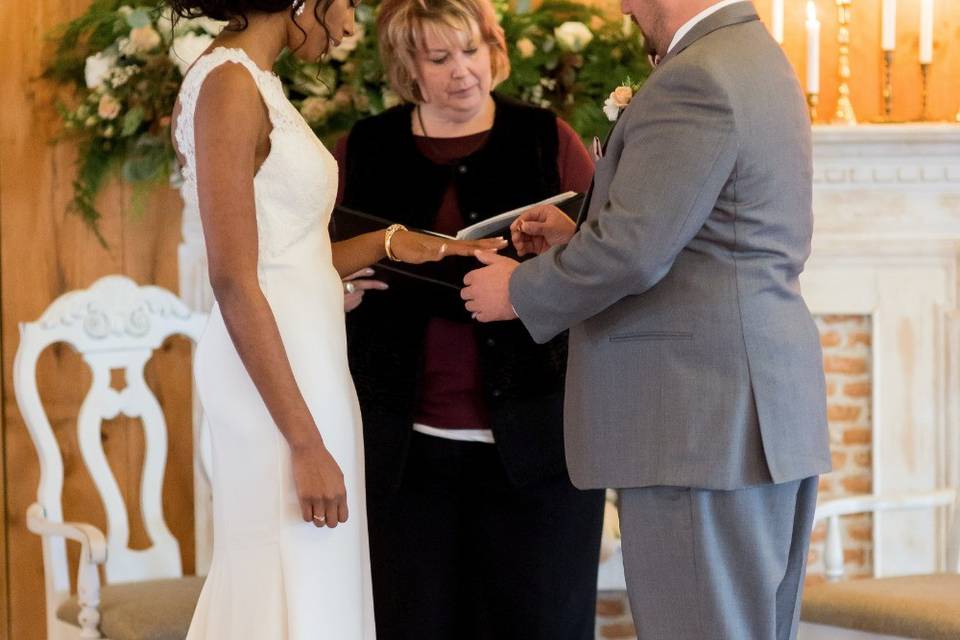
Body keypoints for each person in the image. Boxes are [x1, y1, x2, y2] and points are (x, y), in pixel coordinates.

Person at [462, 1, 832, 638]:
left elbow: (635, 251)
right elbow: (701, 236)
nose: (627, 6)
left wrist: (520, 290)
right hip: (751, 409)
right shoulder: (756, 58)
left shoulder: (696, 75)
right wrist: (578, 238)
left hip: (697, 421)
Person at [167, 0, 503, 636]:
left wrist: (398, 241)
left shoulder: (252, 80)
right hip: (276, 379)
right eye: (348, 4)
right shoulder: (228, 85)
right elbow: (234, 278)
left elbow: (287, 252)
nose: (349, 26)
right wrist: (304, 442)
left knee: (318, 572)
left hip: (309, 358)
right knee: (287, 569)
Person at [332, 0, 605, 636]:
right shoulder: (364, 148)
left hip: (539, 447)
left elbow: (604, 263)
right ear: (409, 67)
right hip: (402, 450)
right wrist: (336, 291)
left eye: (472, 50)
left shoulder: (547, 137)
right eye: (440, 57)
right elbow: (316, 262)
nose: (463, 71)